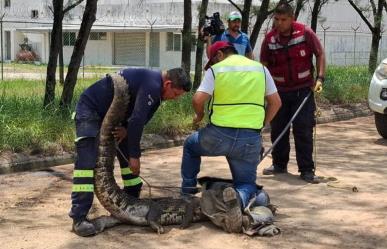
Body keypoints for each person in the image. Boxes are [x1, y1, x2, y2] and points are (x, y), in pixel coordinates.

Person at [70, 67, 192, 237]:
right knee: (87, 162)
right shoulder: (152, 84)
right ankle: (79, 218)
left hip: (116, 118)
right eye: (176, 94)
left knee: (129, 159)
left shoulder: (157, 92)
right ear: (168, 83)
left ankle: (131, 202)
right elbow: (137, 120)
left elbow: (138, 121)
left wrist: (126, 131)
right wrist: (135, 156)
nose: (175, 99)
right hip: (91, 110)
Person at [180, 41, 282, 208]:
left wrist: (200, 116)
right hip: (249, 139)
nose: (212, 64)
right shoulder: (261, 70)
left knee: (191, 145)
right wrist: (262, 124)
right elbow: (276, 103)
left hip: (218, 136)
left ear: (219, 54)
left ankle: (187, 194)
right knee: (245, 184)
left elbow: (197, 99)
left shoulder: (217, 70)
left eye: (212, 60)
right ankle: (239, 202)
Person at [259, 3, 326, 183]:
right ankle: (279, 164)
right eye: (276, 20)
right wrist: (263, 89)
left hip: (303, 91)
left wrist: (320, 78)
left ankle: (306, 169)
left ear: (292, 18)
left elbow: (319, 53)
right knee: (278, 129)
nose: (280, 23)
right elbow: (263, 66)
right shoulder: (270, 39)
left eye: (283, 20)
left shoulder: (305, 33)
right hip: (278, 93)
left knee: (302, 129)